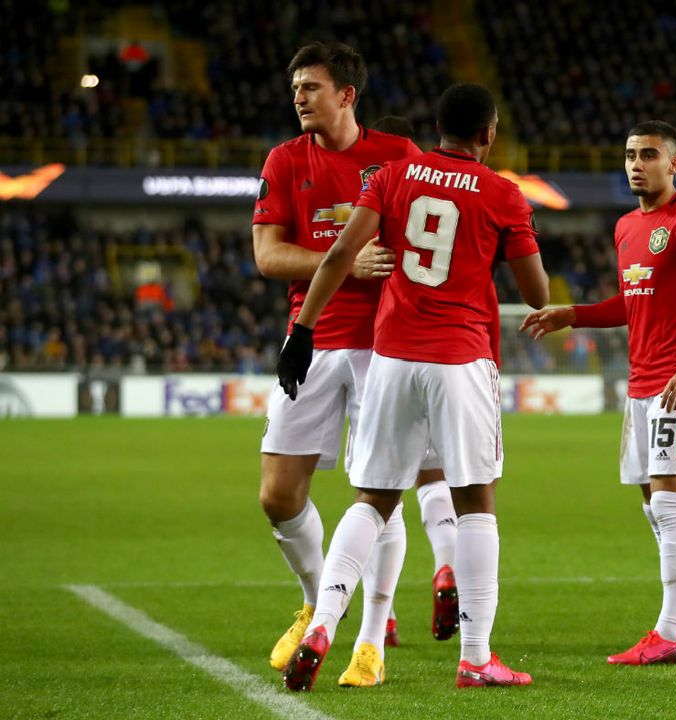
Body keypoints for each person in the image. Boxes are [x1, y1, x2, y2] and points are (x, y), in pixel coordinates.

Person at [276, 82, 548, 690]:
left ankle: (323, 622)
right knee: (475, 501)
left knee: (372, 500)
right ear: (488, 134)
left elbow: (343, 250)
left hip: (392, 356)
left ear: (435, 128)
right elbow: (537, 295)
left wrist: (303, 329)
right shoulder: (504, 192)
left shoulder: (395, 175)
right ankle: (476, 658)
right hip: (460, 357)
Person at [251, 42, 440, 686]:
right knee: (278, 495)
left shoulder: (396, 157)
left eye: (310, 86)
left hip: (385, 345)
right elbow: (268, 256)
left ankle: (370, 641)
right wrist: (344, 262)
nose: (298, 96)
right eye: (295, 86)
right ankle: (315, 598)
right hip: (310, 338)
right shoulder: (284, 161)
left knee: (379, 494)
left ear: (346, 95)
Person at [520, 120, 676, 665]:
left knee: (669, 497)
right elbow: (630, 302)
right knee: (654, 505)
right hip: (642, 383)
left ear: (674, 164)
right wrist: (572, 314)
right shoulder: (624, 228)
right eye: (629, 155)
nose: (636, 164)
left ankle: (667, 635)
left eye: (648, 154)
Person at [368, 114, 462, 650]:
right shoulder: (443, 193)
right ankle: (446, 566)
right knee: (436, 479)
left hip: (385, 355)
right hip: (446, 355)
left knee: (378, 497)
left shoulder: (384, 199)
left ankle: (382, 618)